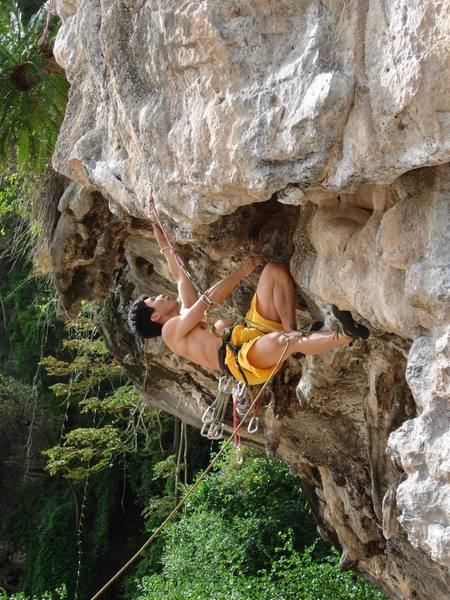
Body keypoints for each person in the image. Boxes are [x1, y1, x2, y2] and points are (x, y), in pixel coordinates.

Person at [128, 223, 369, 385]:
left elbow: (179, 274)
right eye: (153, 300)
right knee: (286, 343)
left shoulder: (184, 313)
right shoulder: (171, 332)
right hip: (240, 359)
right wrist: (243, 270)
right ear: (155, 317)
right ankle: (347, 335)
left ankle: (291, 327)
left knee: (274, 271)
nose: (159, 296)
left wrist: (160, 235)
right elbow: (207, 301)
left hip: (246, 333)